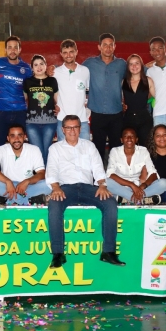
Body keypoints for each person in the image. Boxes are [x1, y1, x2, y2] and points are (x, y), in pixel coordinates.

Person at [46, 114, 125, 268]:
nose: (72, 131)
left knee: (110, 203)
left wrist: (102, 184)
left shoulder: (89, 145)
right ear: (63, 130)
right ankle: (58, 254)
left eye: (75, 127)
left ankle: (108, 252)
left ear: (80, 128)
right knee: (54, 204)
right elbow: (52, 169)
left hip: (89, 187)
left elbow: (97, 167)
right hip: (65, 188)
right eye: (68, 127)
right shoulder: (55, 148)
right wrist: (55, 187)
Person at [0, 124, 51, 205]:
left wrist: (27, 181)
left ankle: (7, 199)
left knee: (50, 183)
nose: (16, 139)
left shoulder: (34, 149)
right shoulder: (1, 149)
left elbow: (42, 173)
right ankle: (28, 200)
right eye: (12, 136)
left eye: (19, 135)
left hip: (27, 186)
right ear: (8, 138)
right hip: (6, 186)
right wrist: (8, 182)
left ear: (24, 137)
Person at [82, 33, 126, 162]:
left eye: (110, 45)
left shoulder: (121, 64)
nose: (108, 48)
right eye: (105, 45)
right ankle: (99, 177)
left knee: (116, 148)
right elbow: (75, 69)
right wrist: (52, 69)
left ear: (115, 46)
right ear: (99, 47)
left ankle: (115, 177)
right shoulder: (89, 63)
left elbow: (139, 72)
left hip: (116, 113)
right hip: (97, 113)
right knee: (98, 147)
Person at [0, 36, 32, 151]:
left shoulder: (26, 68)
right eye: (10, 47)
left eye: (15, 47)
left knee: (21, 147)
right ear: (5, 50)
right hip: (2, 113)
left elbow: (34, 87)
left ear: (20, 49)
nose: (12, 50)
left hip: (21, 112)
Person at [106, 127, 166, 205]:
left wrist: (142, 186)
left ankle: (127, 199)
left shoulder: (143, 151)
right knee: (106, 182)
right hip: (121, 187)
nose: (129, 138)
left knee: (164, 183)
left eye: (132, 136)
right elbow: (110, 174)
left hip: (140, 189)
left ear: (136, 139)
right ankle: (142, 199)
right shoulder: (115, 151)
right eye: (125, 136)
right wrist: (131, 185)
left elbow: (153, 173)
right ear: (121, 140)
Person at [23, 54, 58, 164]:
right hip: (32, 122)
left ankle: (47, 178)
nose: (39, 67)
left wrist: (58, 107)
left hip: (50, 122)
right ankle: (41, 177)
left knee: (46, 151)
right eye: (36, 65)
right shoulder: (27, 82)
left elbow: (57, 100)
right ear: (32, 68)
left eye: (41, 64)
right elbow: (22, 100)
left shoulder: (52, 81)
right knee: (37, 152)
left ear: (46, 65)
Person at [54, 39, 90, 141]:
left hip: (82, 119)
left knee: (85, 152)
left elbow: (88, 91)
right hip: (62, 120)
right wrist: (53, 104)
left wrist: (87, 105)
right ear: (61, 54)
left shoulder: (85, 71)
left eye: (71, 52)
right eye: (65, 52)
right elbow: (49, 91)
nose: (68, 55)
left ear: (76, 52)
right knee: (64, 153)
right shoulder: (55, 73)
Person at [122, 54, 154, 147]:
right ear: (128, 67)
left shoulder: (148, 81)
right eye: (131, 64)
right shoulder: (123, 82)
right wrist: (122, 105)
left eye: (137, 63)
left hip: (145, 120)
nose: (134, 66)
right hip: (128, 120)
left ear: (141, 65)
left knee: (146, 147)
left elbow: (158, 97)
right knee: (129, 147)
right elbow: (118, 100)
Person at [146, 37, 166, 126]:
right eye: (153, 49)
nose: (157, 52)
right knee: (159, 140)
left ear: (165, 48)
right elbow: (148, 94)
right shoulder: (149, 71)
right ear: (150, 52)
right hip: (159, 115)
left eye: (160, 48)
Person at [148, 124, 166, 203]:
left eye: (165, 135)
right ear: (153, 139)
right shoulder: (147, 156)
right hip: (155, 190)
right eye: (158, 135)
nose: (162, 138)